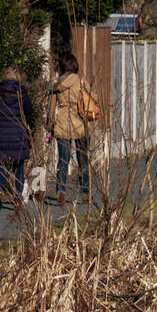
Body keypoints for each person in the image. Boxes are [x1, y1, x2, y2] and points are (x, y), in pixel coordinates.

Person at [0, 66, 34, 212]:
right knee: (18, 167)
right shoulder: (22, 94)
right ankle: (18, 199)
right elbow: (29, 111)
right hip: (17, 136)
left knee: (1, 167)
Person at [48, 51, 92, 206]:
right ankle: (85, 193)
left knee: (63, 160)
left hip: (62, 124)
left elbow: (52, 107)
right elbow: (93, 100)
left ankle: (60, 192)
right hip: (80, 124)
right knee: (83, 161)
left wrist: (49, 125)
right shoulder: (82, 81)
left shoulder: (56, 85)